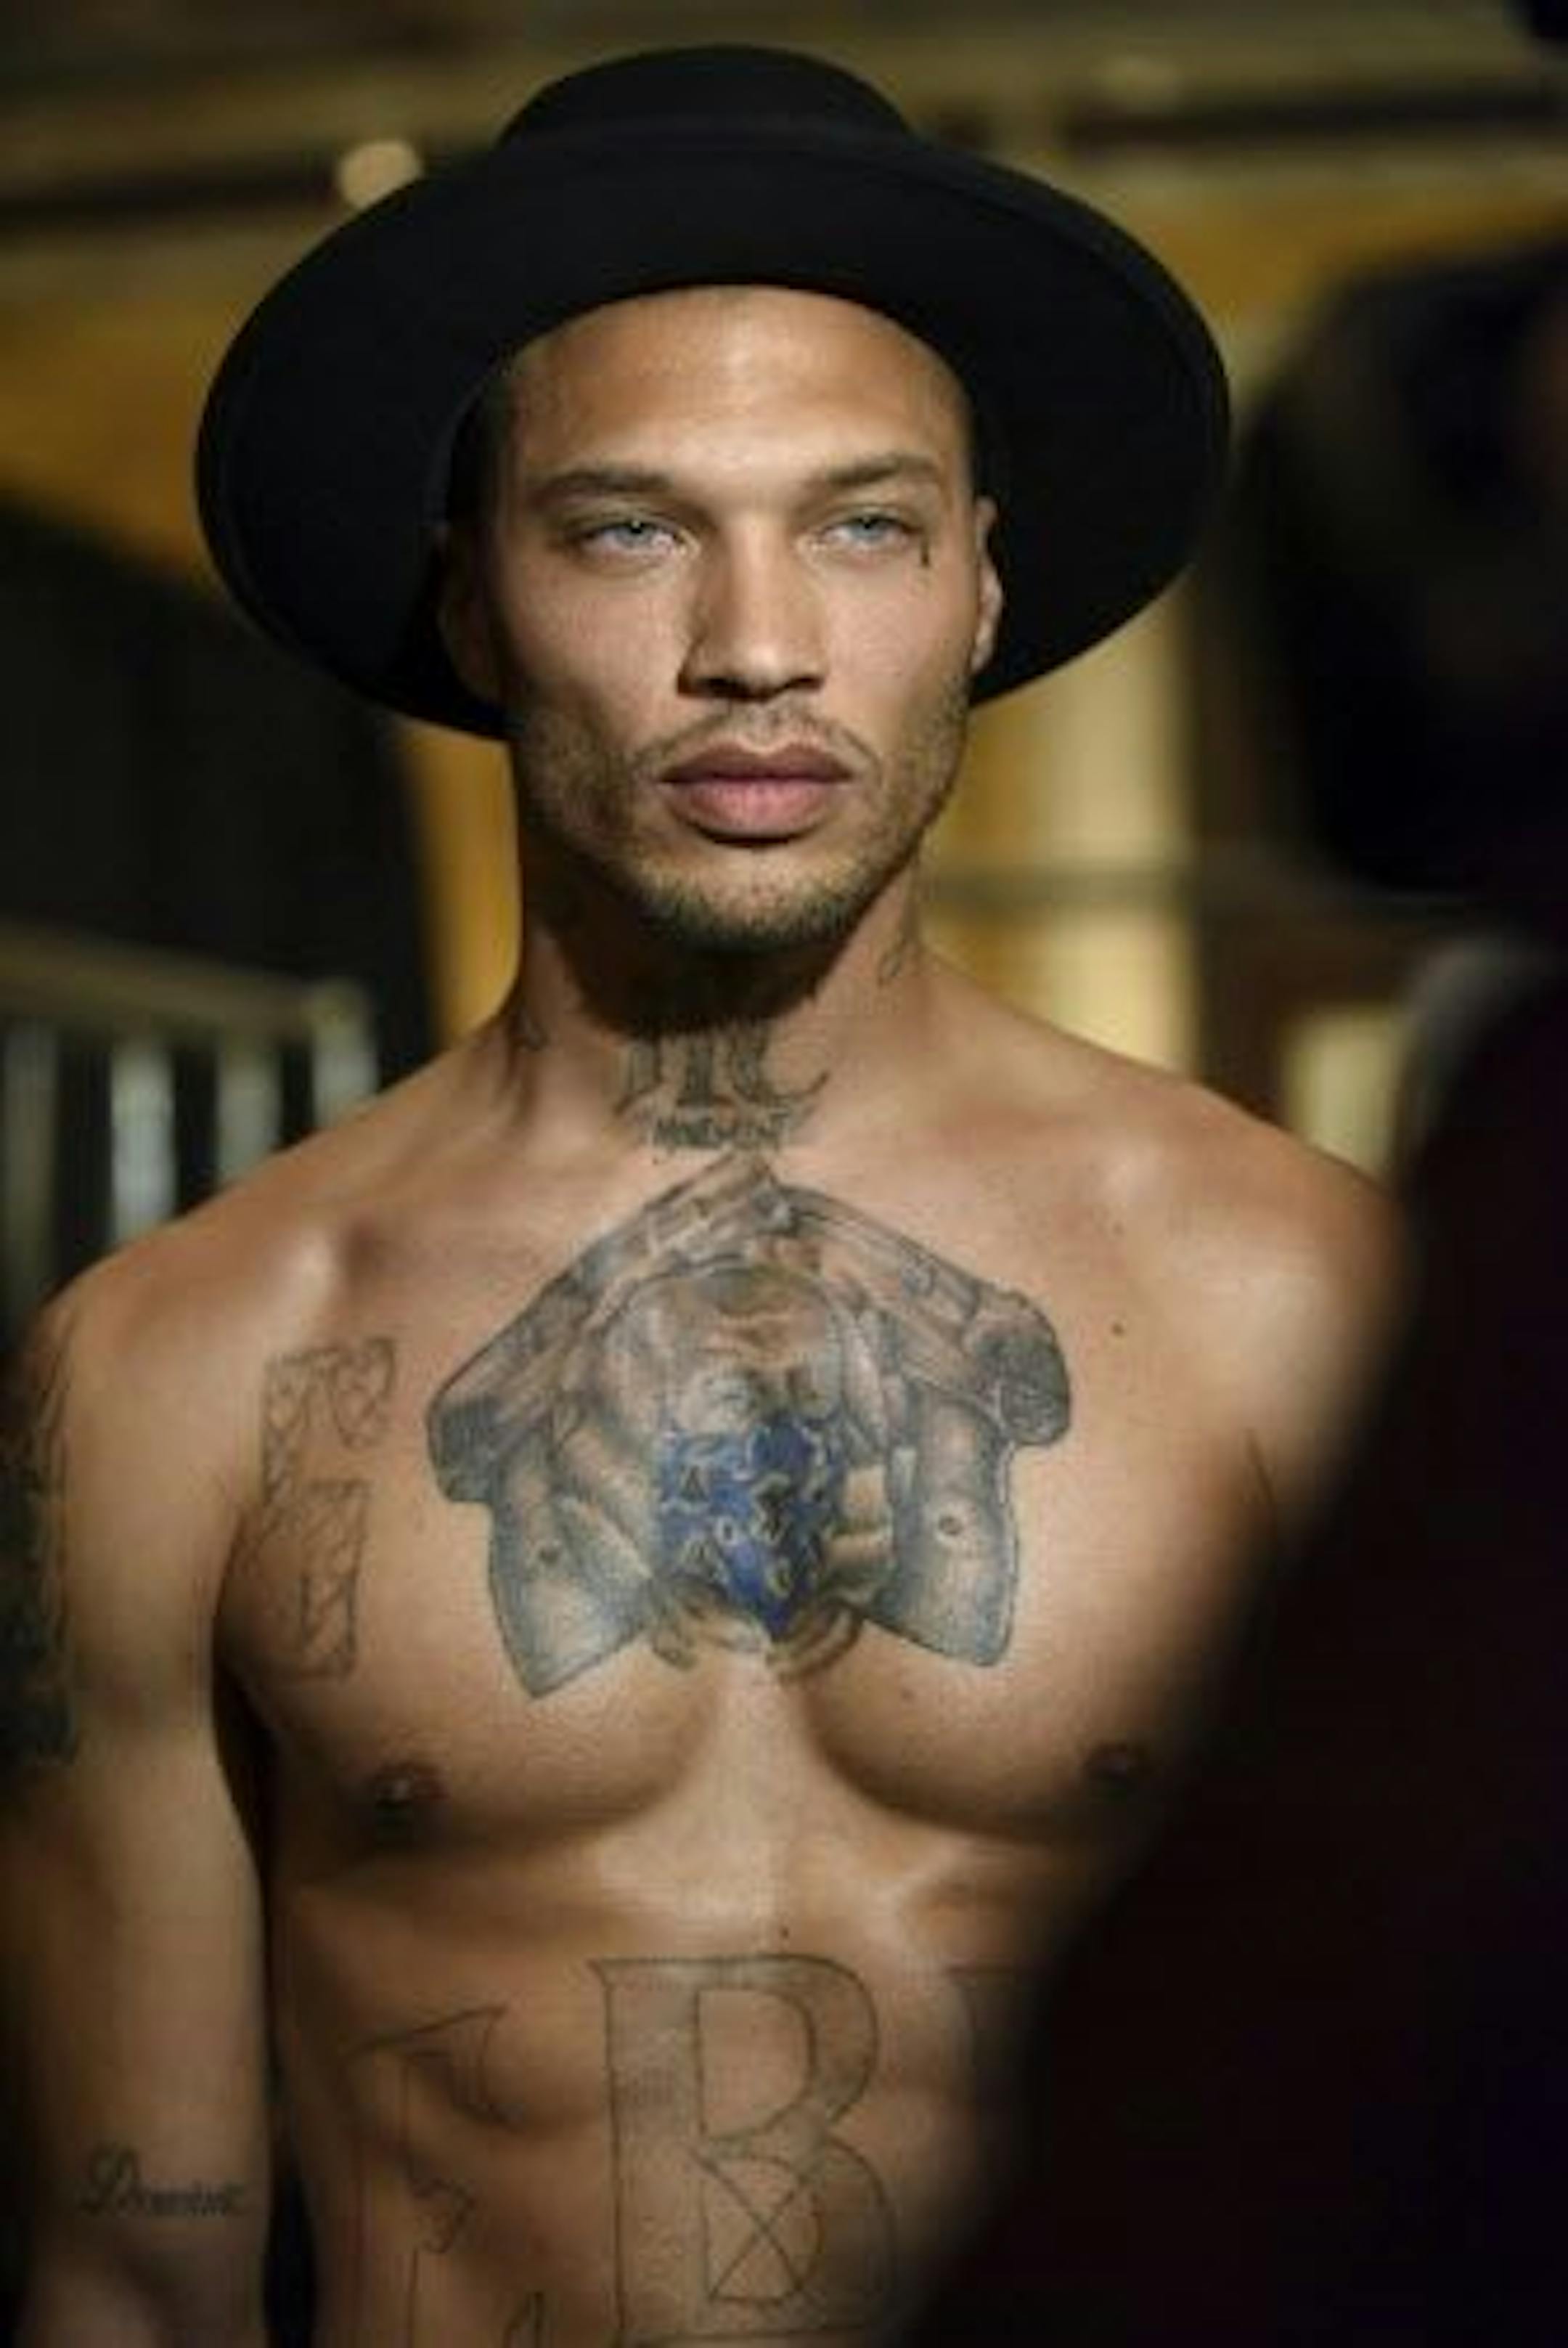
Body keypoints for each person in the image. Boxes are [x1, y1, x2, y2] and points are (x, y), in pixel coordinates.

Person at [0, 45, 1400, 2348]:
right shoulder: (178, 1362)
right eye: (629, 526)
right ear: (474, 606)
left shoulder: (1298, 1292)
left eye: (861, 524)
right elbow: (130, 2272)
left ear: (976, 591)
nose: (756, 642)